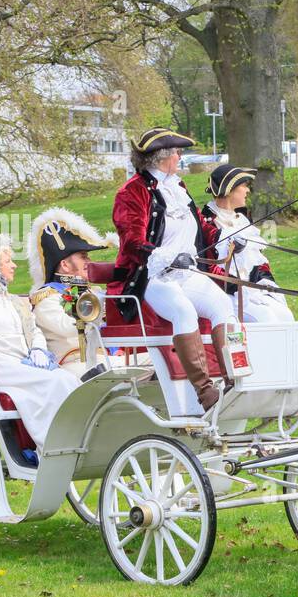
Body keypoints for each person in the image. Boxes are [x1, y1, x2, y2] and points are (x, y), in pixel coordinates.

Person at [111, 127, 238, 412]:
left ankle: (233, 380)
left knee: (222, 304)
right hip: (151, 276)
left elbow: (200, 228)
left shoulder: (178, 188)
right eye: (177, 153)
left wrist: (226, 237)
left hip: (185, 273)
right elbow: (131, 240)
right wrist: (164, 256)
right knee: (183, 310)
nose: (180, 158)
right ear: (162, 158)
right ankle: (205, 390)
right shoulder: (132, 192)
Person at [0, 234, 80, 451]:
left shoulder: (13, 301)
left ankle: (72, 438)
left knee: (66, 378)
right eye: (7, 261)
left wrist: (38, 348)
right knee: (57, 382)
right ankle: (52, 444)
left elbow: (33, 329)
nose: (14, 265)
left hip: (22, 362)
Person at [26, 208, 116, 379]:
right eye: (83, 256)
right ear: (65, 265)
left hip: (106, 359)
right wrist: (100, 314)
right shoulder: (47, 297)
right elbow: (67, 327)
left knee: (160, 361)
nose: (89, 261)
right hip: (76, 365)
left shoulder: (92, 292)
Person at [201, 164, 294, 324]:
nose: (248, 190)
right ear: (229, 189)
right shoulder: (206, 223)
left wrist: (265, 284)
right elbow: (208, 268)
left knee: (285, 316)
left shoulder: (242, 220)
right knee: (266, 318)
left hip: (252, 290)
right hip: (226, 293)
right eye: (243, 186)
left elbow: (260, 263)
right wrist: (240, 287)